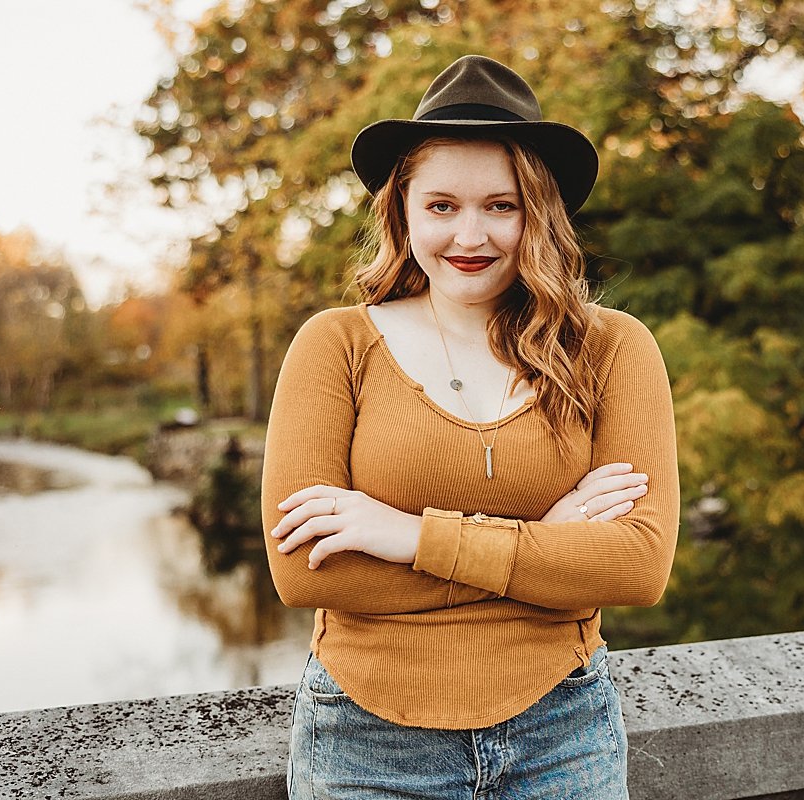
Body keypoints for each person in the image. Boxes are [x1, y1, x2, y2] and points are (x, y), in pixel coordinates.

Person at [261, 54, 679, 799]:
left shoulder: (613, 348)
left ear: (539, 212)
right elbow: (303, 571)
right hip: (366, 743)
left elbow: (636, 567)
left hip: (564, 735)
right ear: (404, 212)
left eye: (502, 205)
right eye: (443, 206)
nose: (471, 235)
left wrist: (407, 535)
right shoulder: (337, 345)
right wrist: (546, 547)